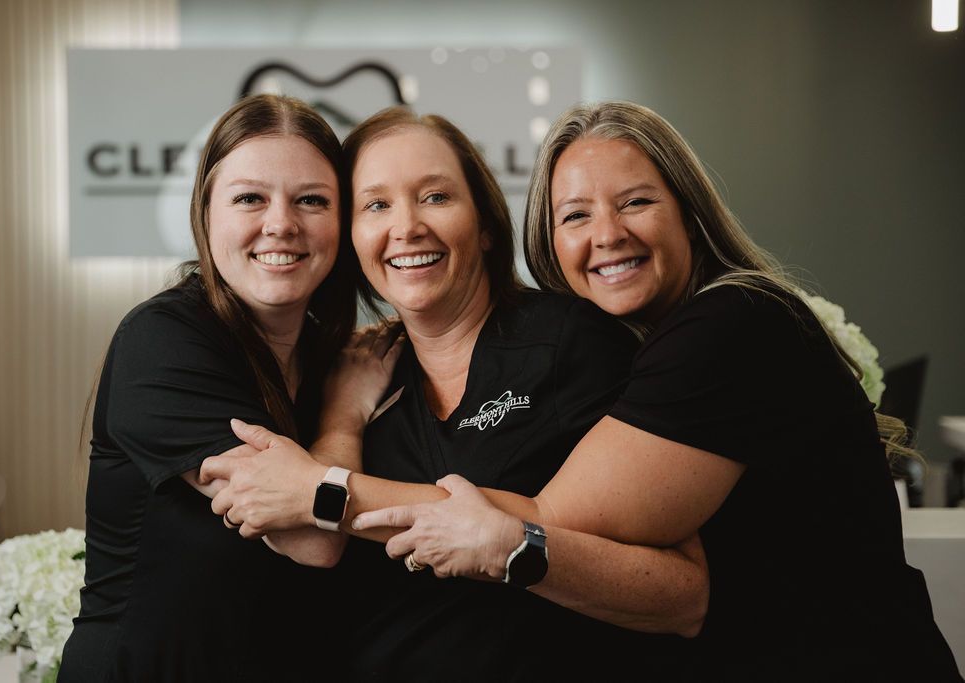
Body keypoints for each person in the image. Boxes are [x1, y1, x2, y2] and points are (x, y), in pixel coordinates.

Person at [350, 102, 963, 682]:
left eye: (636, 202)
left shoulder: (731, 325)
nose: (608, 234)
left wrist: (317, 491)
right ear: (551, 242)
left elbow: (549, 521)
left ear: (688, 213)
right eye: (576, 215)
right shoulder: (651, 344)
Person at [202, 108, 708, 680]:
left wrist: (514, 551)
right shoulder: (352, 377)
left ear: (486, 222)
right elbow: (315, 554)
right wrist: (343, 418)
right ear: (351, 240)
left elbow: (682, 595)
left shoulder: (571, 340)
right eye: (376, 205)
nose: (408, 226)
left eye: (436, 197)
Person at [58, 94, 362, 681]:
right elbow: (311, 538)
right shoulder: (163, 338)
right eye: (250, 197)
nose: (281, 223)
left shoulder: (333, 353)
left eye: (312, 201)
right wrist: (347, 416)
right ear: (206, 213)